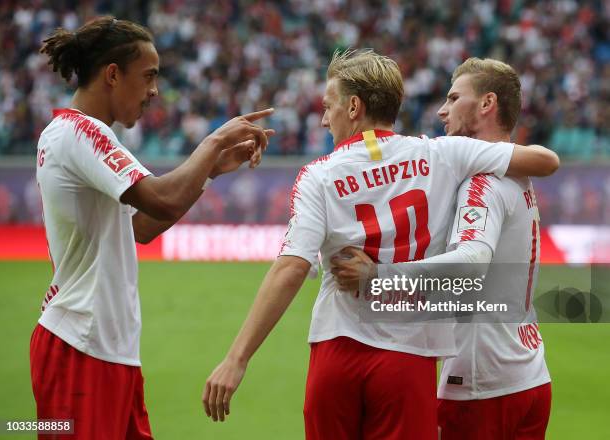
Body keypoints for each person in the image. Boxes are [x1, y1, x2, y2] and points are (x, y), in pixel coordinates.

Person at [203, 49, 558, 439]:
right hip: (409, 356)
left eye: (328, 106)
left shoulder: (317, 175)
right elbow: (544, 161)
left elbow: (292, 265)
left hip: (337, 348)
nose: (323, 119)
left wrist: (237, 358)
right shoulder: (442, 154)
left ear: (353, 106)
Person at [31, 16, 273, 440]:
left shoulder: (82, 134)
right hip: (80, 349)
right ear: (112, 75)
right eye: (148, 76)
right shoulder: (82, 133)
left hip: (107, 348)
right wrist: (213, 143)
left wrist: (210, 171)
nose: (154, 91)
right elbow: (161, 197)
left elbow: (141, 227)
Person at [332, 57, 552, 439]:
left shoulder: (482, 183)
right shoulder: (517, 176)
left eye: (453, 98)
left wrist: (379, 278)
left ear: (486, 104)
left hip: (481, 382)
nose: (441, 110)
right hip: (529, 372)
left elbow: (472, 262)